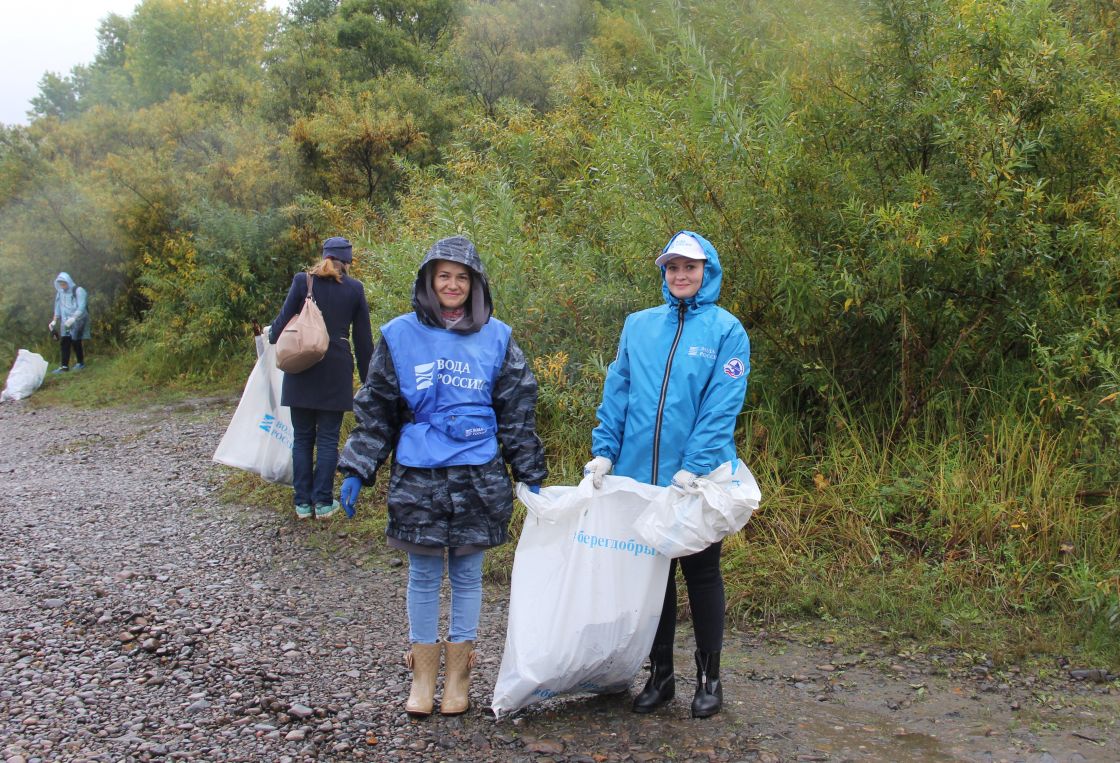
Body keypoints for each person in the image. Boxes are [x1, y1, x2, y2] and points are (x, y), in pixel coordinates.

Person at [337, 235, 546, 718]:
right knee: (425, 574)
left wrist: (529, 471)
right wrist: (357, 466)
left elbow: (516, 410)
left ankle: (458, 678)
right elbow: (378, 410)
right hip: (420, 476)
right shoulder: (398, 335)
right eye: (443, 276)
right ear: (430, 281)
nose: (452, 285)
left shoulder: (498, 337)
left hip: (479, 474)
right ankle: (423, 678)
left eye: (462, 277)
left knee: (469, 574)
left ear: (475, 284)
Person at [584, 230, 750, 719]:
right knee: (651, 580)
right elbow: (619, 391)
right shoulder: (638, 326)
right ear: (664, 274)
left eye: (690, 267)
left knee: (701, 572)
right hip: (640, 477)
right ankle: (661, 677)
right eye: (672, 268)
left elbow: (722, 408)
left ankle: (709, 679)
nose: (681, 275)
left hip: (698, 480)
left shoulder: (726, 330)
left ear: (707, 272)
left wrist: (693, 469)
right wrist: (605, 452)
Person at [269, 236, 374, 520]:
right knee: (328, 439)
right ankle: (324, 503)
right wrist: (369, 379)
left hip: (302, 366)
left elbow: (280, 324)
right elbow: (363, 340)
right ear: (348, 261)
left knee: (302, 438)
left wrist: (272, 336)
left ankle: (302, 504)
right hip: (335, 370)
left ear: (324, 256)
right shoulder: (354, 289)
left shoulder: (303, 282)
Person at [48, 272, 90, 373]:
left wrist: (74, 318)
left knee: (76, 340)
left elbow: (82, 306)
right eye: (61, 284)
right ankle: (64, 366)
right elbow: (58, 307)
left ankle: (80, 363)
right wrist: (54, 320)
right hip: (65, 320)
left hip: (78, 319)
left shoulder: (79, 291)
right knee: (65, 341)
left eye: (64, 283)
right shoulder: (60, 292)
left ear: (68, 281)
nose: (63, 286)